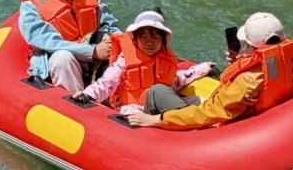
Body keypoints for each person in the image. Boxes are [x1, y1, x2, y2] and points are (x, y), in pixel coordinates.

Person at [126, 11, 293, 130]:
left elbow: (207, 114)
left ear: (252, 45)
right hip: (239, 108)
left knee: (156, 92)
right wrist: (241, 62)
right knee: (213, 75)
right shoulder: (282, 61)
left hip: (214, 126)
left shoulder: (248, 81)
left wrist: (156, 119)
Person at [18, 0, 119, 94]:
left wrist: (121, 44)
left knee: (113, 43)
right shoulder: (30, 7)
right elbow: (50, 43)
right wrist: (93, 52)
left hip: (92, 55)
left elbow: (110, 25)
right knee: (62, 57)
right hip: (59, 61)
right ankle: (77, 105)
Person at [76, 10, 215, 112]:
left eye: (154, 37)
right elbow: (108, 82)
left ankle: (196, 117)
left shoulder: (166, 59)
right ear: (136, 39)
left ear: (162, 40)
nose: (149, 43)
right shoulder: (125, 60)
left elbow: (177, 80)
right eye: (144, 37)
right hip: (132, 108)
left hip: (159, 106)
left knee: (202, 102)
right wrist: (88, 96)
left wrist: (202, 69)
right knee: (144, 105)